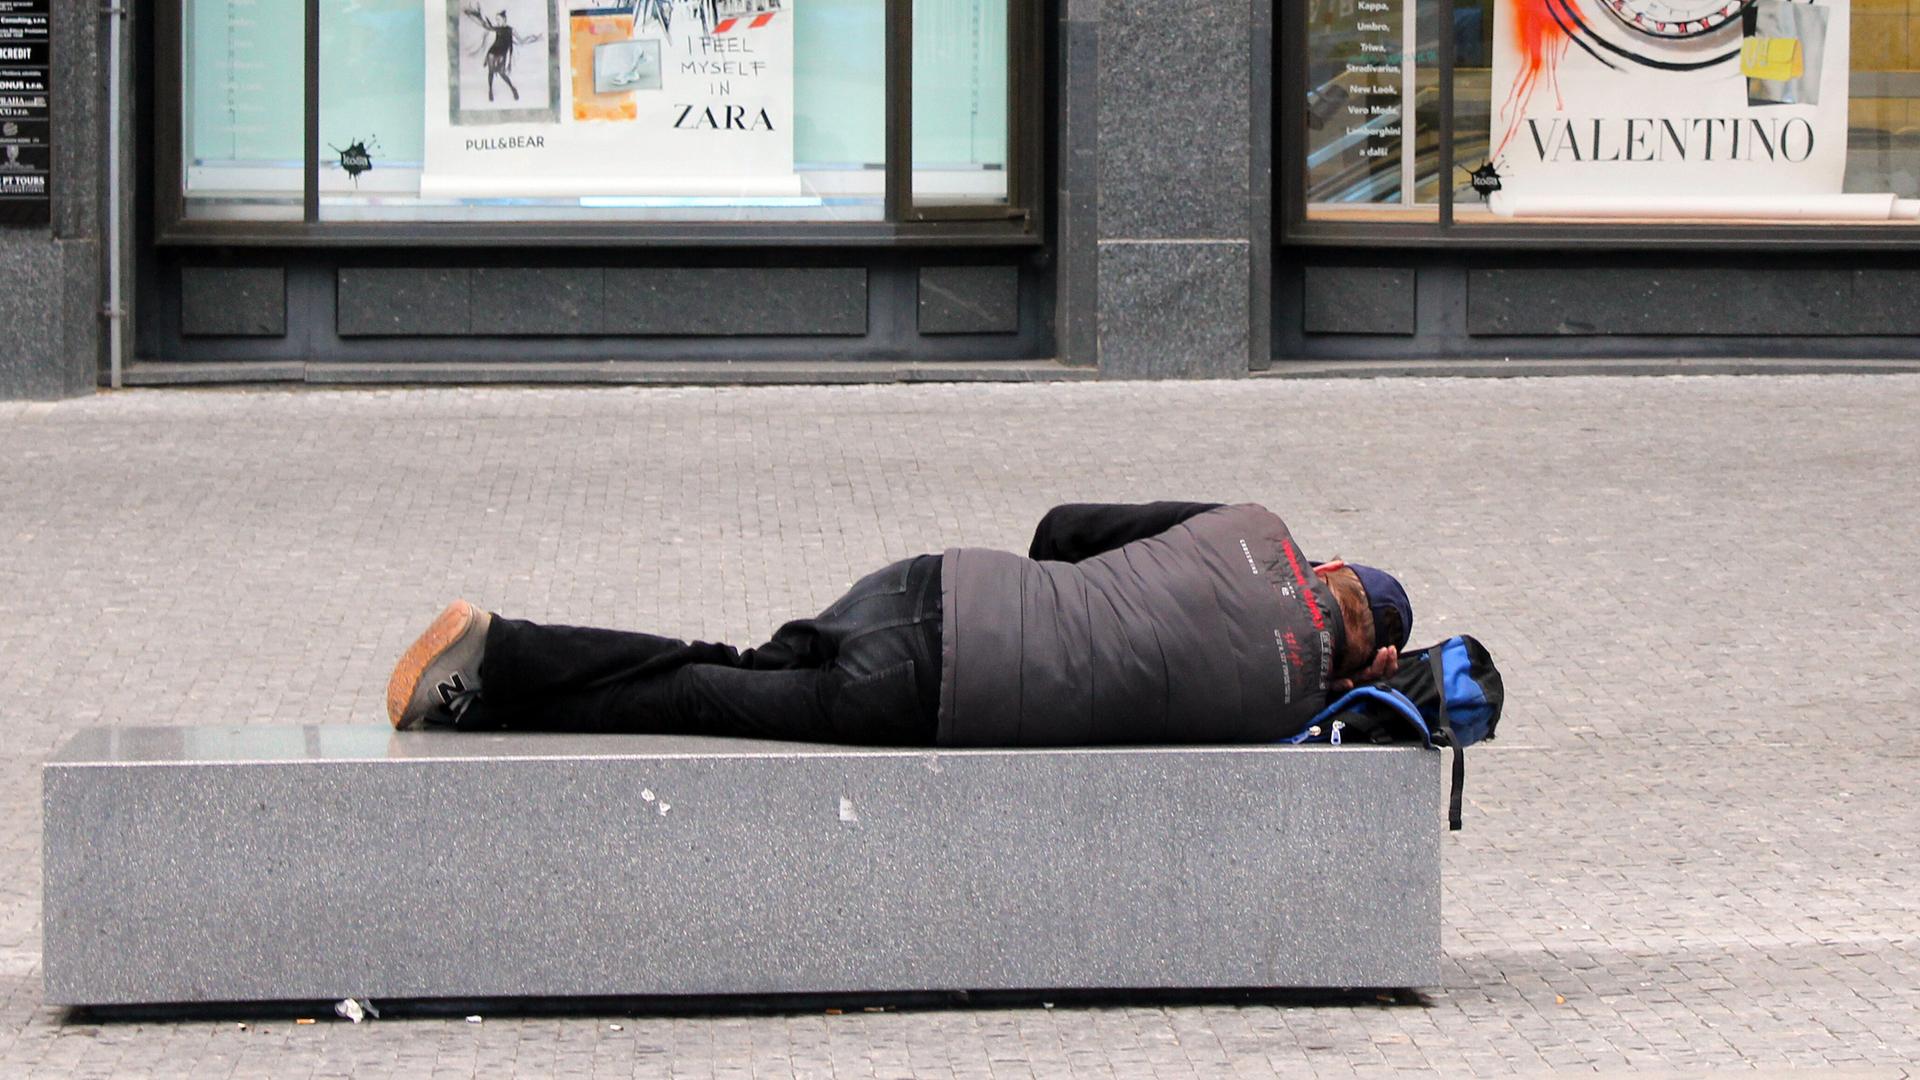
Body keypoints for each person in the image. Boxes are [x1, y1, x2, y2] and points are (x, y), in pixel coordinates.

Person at [387, 502, 1413, 747]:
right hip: (935, 690)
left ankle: (500, 667)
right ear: (1372, 660)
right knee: (708, 688)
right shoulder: (1286, 716)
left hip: (933, 585)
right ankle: (496, 665)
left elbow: (1059, 531)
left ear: (1329, 566)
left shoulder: (1252, 525)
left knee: (740, 662)